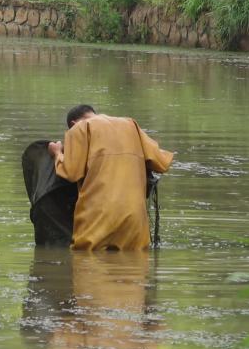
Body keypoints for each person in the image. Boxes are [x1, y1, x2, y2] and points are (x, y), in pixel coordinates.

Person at [47, 105, 173, 250]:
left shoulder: (79, 128)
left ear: (73, 124)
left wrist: (57, 153)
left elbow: (71, 172)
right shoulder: (131, 125)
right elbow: (162, 163)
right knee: (133, 267)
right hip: (134, 220)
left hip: (98, 217)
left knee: (87, 261)